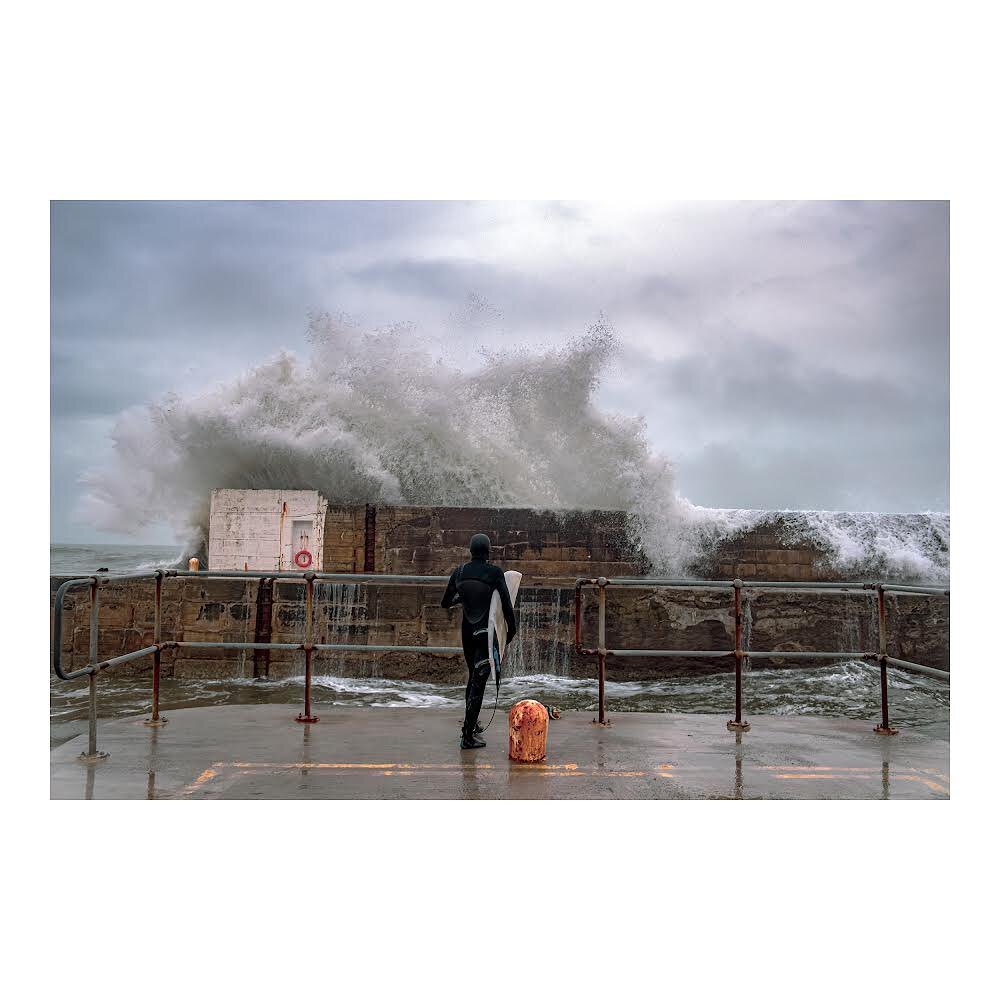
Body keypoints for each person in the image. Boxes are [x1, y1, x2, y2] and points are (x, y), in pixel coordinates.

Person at [441, 533, 517, 749]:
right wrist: (510, 634)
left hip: (467, 633)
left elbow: (445, 602)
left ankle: (472, 727)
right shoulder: (493, 573)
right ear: (487, 551)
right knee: (479, 684)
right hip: (485, 633)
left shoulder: (460, 572)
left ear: (471, 551)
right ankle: (467, 736)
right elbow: (506, 605)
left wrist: (462, 599)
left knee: (473, 678)